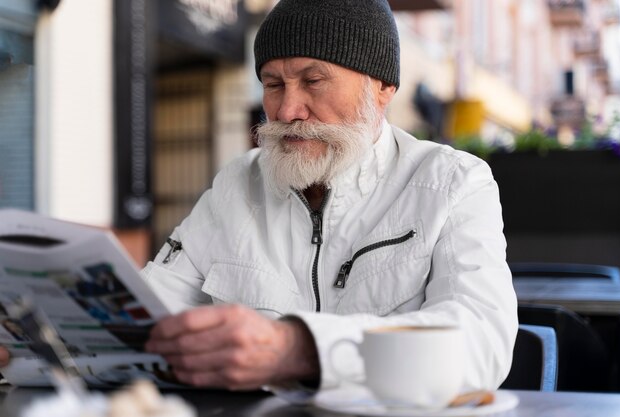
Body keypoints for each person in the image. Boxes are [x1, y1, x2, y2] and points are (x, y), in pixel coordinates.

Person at [0, 0, 517, 398]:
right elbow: (152, 317)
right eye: (272, 84)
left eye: (314, 80)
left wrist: (298, 350)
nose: (288, 108)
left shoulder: (454, 183)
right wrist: (33, 345)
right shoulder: (237, 183)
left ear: (382, 87)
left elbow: (481, 343)